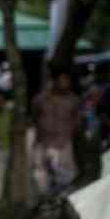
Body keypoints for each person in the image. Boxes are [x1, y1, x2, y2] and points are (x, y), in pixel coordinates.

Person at [31, 68, 81, 209]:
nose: (65, 83)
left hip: (64, 142)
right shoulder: (40, 99)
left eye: (67, 80)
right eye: (62, 80)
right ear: (54, 81)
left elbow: (77, 120)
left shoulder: (73, 100)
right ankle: (47, 200)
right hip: (43, 142)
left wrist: (71, 133)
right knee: (41, 175)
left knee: (65, 176)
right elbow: (35, 117)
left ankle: (62, 204)